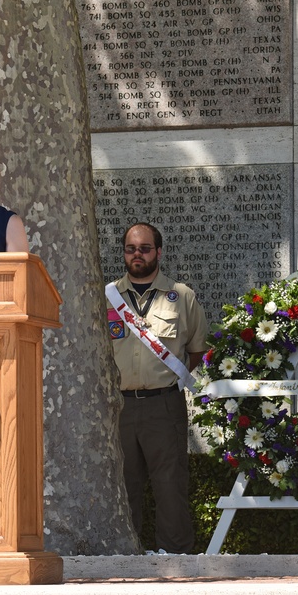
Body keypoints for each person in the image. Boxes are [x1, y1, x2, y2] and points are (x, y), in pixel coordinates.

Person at [106, 223, 208, 554]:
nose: (137, 255)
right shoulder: (106, 298)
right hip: (118, 408)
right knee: (123, 486)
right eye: (131, 249)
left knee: (170, 485)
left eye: (145, 248)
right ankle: (124, 557)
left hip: (164, 405)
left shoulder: (182, 296)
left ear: (158, 252)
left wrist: (166, 381)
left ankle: (177, 556)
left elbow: (197, 350)